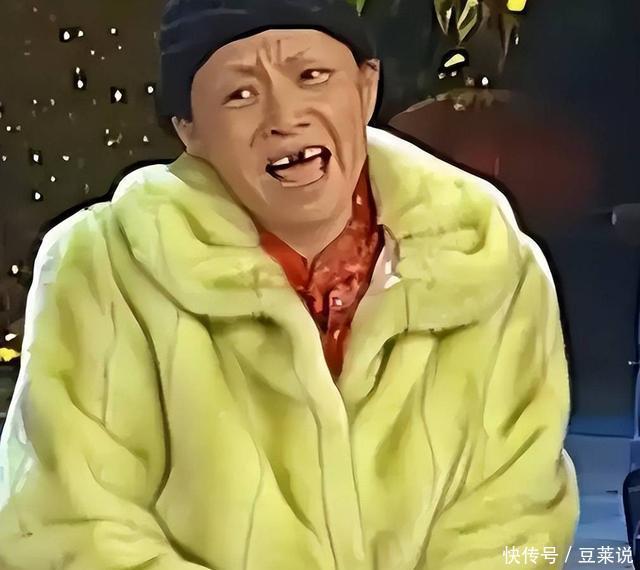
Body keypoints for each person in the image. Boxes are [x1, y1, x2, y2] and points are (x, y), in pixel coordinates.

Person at [0, 0, 579, 568]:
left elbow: (516, 515)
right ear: (189, 130)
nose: (285, 117)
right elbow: (69, 525)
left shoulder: (489, 262)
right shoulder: (105, 265)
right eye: (240, 94)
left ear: (367, 87)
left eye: (312, 76)